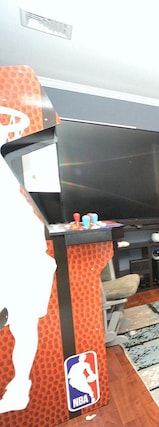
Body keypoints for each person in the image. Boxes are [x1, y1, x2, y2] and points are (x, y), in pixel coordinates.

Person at [0, 108, 57, 414]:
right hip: (23, 257)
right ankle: (20, 384)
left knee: (23, 325)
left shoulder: (12, 200)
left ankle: (20, 384)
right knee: (23, 324)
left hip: (24, 258)